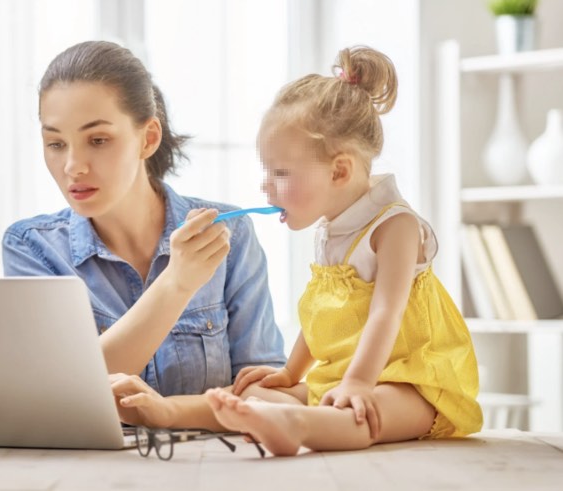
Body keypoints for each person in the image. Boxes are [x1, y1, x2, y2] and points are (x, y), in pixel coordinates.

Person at [205, 46, 483, 455]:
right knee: (260, 396)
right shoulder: (330, 232)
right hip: (350, 375)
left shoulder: (396, 227)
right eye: (266, 172)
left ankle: (297, 425)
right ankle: (286, 417)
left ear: (339, 170)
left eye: (280, 173)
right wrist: (290, 372)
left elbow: (385, 314)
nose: (266, 187)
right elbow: (321, 313)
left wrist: (357, 383)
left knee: (362, 416)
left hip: (415, 382)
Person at [2, 40, 286, 430]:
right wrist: (176, 284)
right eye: (55, 143)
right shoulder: (31, 248)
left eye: (98, 140)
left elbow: (266, 393)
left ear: (148, 138)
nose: (72, 166)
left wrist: (171, 412)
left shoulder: (228, 232)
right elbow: (57, 393)